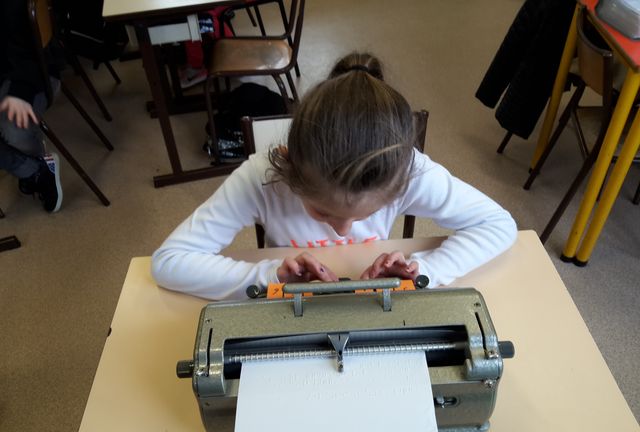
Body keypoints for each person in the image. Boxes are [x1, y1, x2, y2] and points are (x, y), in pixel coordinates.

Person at [151, 52, 517, 301]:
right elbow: (169, 262)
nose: (342, 231)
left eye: (365, 214)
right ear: (289, 167)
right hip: (289, 305)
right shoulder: (263, 176)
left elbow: (498, 225)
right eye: (323, 211)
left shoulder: (407, 169)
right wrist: (271, 277)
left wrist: (423, 271)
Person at [1, 0, 62, 213]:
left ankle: (35, 166)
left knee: (14, 131)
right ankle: (31, 170)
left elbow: (33, 51)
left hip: (35, 74)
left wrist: (20, 92)